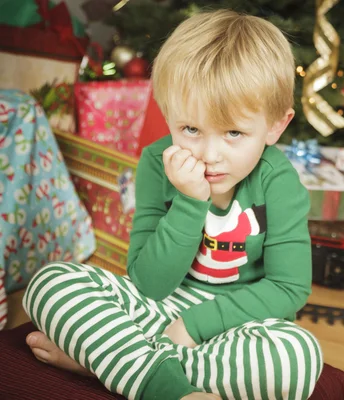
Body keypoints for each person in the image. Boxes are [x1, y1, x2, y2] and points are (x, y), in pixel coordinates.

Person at [23, 9, 322, 400]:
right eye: (191, 129)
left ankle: (110, 363)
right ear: (169, 116)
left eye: (234, 132)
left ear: (275, 126)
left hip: (238, 325)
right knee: (49, 283)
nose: (210, 154)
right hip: (155, 306)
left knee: (297, 358)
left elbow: (288, 287)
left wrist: (194, 326)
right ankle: (165, 384)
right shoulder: (155, 162)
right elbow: (148, 282)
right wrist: (189, 201)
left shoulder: (279, 182)